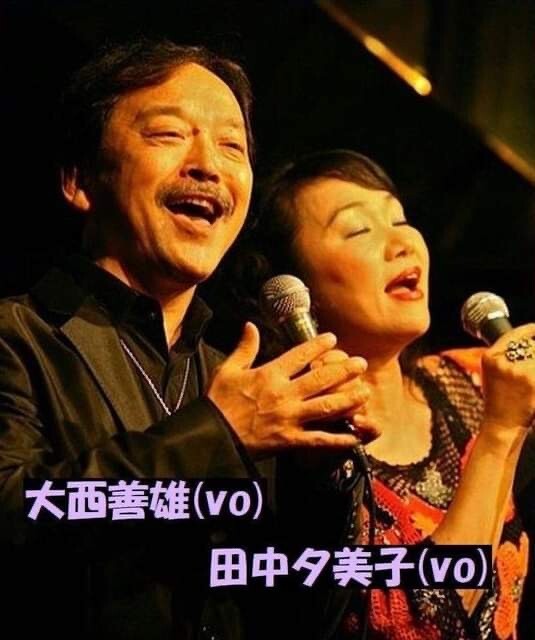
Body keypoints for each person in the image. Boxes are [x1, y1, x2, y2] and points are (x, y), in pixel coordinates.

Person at [0, 44, 371, 640]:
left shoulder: (241, 380)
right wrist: (218, 435)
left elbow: (302, 620)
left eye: (232, 147)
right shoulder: (18, 336)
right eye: (169, 134)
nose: (209, 166)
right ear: (80, 180)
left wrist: (315, 483)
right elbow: (17, 516)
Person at [229, 149, 535, 640]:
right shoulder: (298, 450)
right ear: (295, 290)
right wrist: (500, 433)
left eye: (400, 219)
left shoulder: (477, 377)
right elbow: (421, 621)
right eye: (358, 231)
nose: (401, 243)